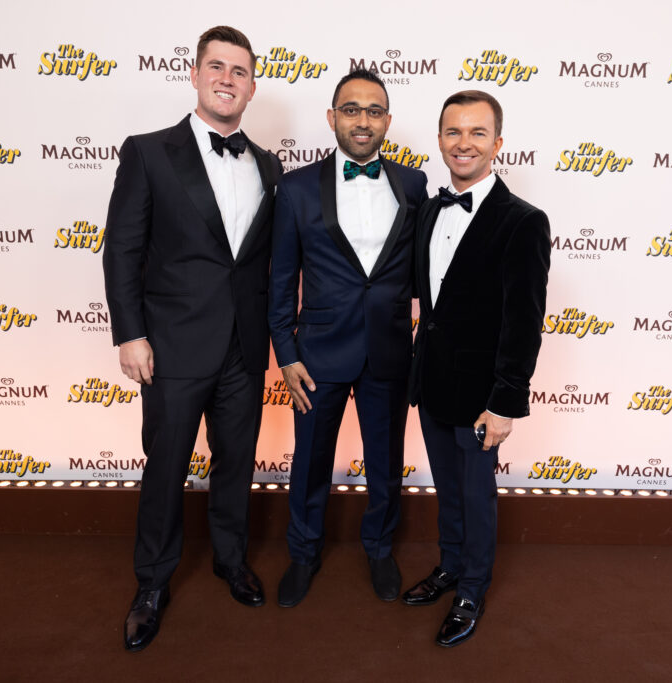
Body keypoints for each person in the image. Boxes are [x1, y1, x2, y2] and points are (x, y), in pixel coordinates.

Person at [103, 25, 283, 652]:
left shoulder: (269, 164)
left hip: (243, 347)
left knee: (236, 462)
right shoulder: (149, 152)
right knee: (166, 467)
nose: (227, 79)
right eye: (217, 67)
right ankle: (152, 583)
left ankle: (230, 560)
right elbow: (122, 249)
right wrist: (130, 333)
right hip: (173, 345)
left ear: (252, 86)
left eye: (240, 71)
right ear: (195, 74)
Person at [268, 69, 428, 607]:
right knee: (310, 461)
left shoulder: (413, 184)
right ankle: (303, 553)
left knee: (386, 461)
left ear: (388, 121)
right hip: (317, 354)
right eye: (352, 109)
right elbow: (281, 278)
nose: (363, 120)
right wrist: (285, 352)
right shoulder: (295, 188)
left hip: (389, 349)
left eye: (374, 110)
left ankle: (379, 549)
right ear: (332, 117)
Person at [404, 90, 551, 647]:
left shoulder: (523, 221)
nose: (463, 143)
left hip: (482, 393)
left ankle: (472, 589)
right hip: (432, 379)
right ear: (440, 139)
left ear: (498, 143)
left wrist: (505, 401)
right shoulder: (429, 210)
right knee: (447, 487)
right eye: (453, 131)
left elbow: (523, 323)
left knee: (475, 494)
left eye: (477, 132)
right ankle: (450, 565)